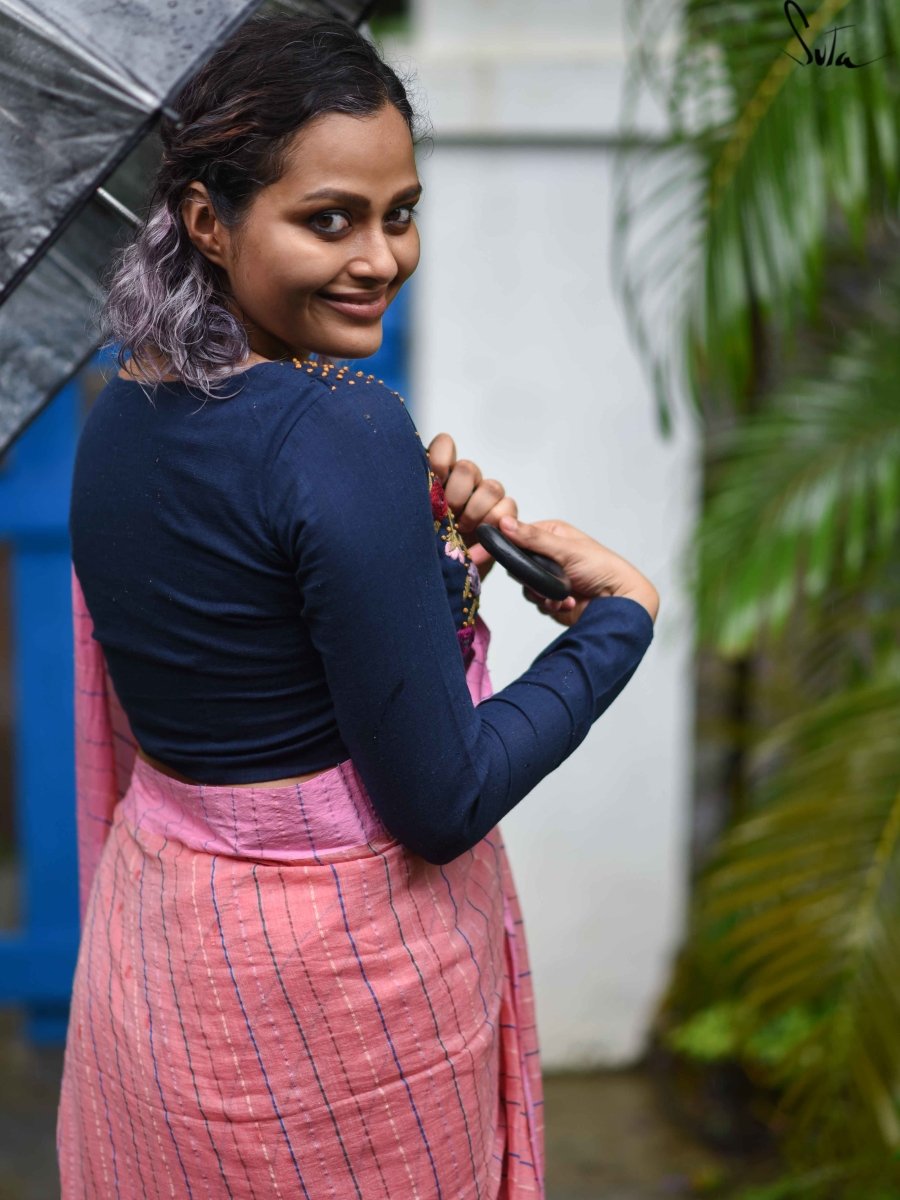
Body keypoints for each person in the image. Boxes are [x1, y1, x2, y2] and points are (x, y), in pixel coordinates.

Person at [56, 10, 659, 1198]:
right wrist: (622, 624)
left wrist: (436, 569)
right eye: (327, 218)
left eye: (399, 212)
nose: (379, 255)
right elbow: (440, 800)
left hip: (161, 977)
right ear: (207, 221)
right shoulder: (343, 424)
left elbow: (257, 653)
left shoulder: (121, 411)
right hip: (326, 1021)